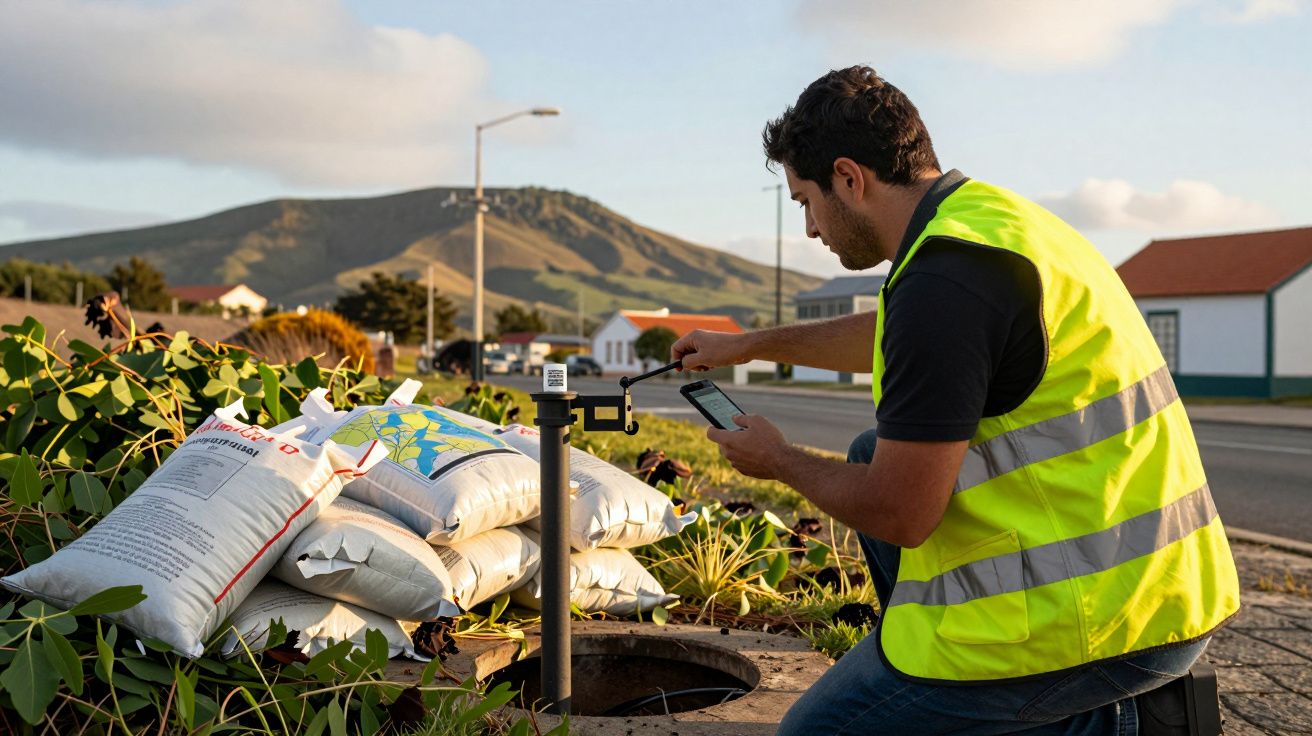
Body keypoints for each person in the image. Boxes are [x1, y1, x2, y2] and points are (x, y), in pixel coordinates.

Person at [672, 66, 1240, 735]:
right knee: (866, 451)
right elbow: (897, 336)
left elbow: (901, 513)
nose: (809, 229)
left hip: (1106, 627)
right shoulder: (986, 226)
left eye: (805, 200)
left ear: (850, 179)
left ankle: (1120, 723)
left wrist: (779, 459)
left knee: (812, 734)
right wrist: (748, 344)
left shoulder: (945, 282)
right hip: (1161, 583)